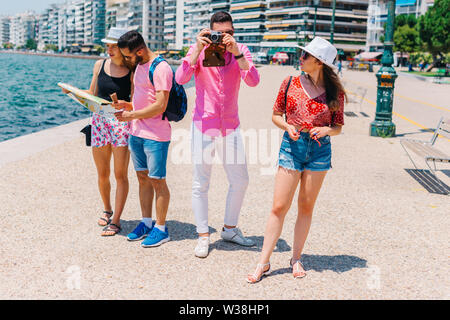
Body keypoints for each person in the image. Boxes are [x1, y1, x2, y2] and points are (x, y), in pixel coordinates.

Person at [246, 37, 346, 283]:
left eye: (305, 56)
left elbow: (338, 127)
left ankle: (296, 258)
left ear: (319, 62)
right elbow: (275, 115)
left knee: (306, 206)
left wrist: (325, 130)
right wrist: (288, 126)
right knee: (278, 207)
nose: (300, 58)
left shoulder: (336, 92)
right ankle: (263, 262)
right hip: (291, 147)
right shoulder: (289, 82)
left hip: (320, 151)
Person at [175, 11, 260, 258]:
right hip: (204, 123)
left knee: (240, 180)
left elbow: (253, 80)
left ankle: (230, 229)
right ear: (209, 31)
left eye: (230, 33)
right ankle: (203, 235)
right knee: (201, 182)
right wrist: (195, 51)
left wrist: (238, 53)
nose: (225, 38)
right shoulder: (198, 49)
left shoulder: (240, 50)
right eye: (220, 34)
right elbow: (180, 79)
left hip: (230, 125)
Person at [61, 27, 132, 236]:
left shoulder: (132, 70)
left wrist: (125, 107)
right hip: (99, 121)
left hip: (120, 122)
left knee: (120, 174)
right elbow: (91, 93)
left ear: (122, 48)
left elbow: (135, 102)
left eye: (113, 46)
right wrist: (72, 91)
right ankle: (107, 209)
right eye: (107, 46)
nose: (109, 50)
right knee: (102, 173)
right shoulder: (99, 64)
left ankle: (116, 221)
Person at [113, 30, 173, 248]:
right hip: (137, 133)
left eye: (128, 56)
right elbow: (142, 101)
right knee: (142, 178)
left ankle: (161, 228)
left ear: (139, 51)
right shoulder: (138, 66)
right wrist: (127, 106)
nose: (127, 60)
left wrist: (132, 115)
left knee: (158, 181)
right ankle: (146, 222)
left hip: (156, 136)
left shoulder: (161, 68)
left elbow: (160, 105)